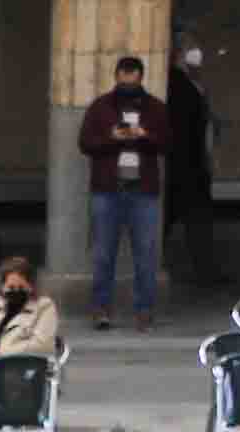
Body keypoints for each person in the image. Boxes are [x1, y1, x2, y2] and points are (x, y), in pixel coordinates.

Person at [79, 53, 171, 328]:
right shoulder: (100, 107)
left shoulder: (155, 108)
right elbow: (85, 143)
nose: (127, 85)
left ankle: (144, 311)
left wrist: (144, 135)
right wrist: (112, 137)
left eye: (132, 81)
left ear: (141, 78)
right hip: (107, 189)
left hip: (143, 190)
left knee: (146, 253)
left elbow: (167, 143)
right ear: (116, 77)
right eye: (123, 80)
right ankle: (101, 309)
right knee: (103, 253)